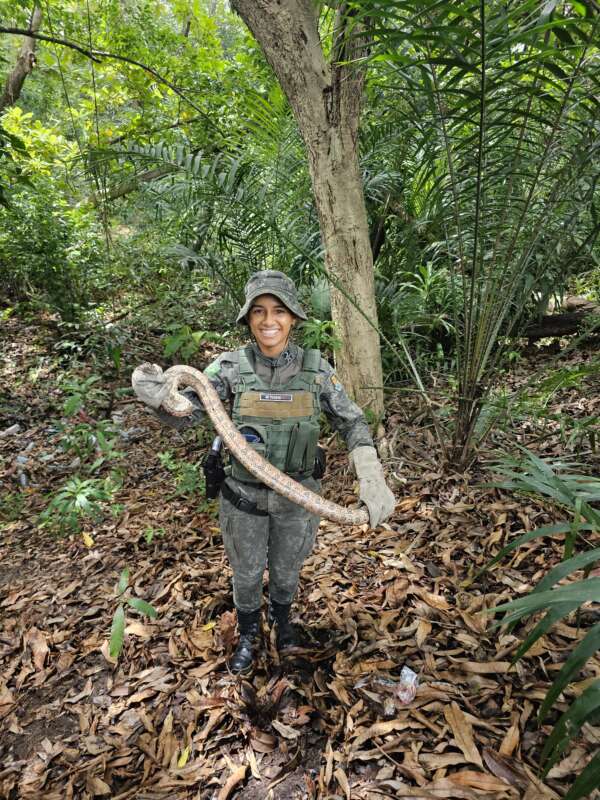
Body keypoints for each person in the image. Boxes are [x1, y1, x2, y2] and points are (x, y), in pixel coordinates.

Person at [132, 270, 395, 673]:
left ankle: (283, 621)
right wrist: (159, 400)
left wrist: (371, 477)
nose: (268, 320)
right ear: (247, 318)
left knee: (289, 568)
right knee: (247, 571)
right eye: (258, 311)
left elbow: (352, 422)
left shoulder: (316, 368)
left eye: (278, 310)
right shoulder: (228, 368)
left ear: (293, 317)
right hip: (243, 499)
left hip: (298, 497)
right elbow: (187, 414)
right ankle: (249, 631)